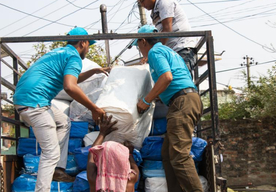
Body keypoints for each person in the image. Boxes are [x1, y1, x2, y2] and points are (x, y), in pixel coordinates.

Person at [13, 27, 110, 192]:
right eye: (89, 45)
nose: (88, 49)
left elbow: (73, 79)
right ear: (83, 42)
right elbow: (70, 86)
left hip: (27, 100)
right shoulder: (73, 56)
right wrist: (94, 108)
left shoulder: (60, 53)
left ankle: (58, 169)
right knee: (50, 153)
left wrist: (94, 71)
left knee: (64, 121)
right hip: (35, 104)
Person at [134, 25, 203, 192]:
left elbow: (167, 77)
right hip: (186, 100)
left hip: (182, 102)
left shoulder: (155, 52)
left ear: (143, 41)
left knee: (179, 156)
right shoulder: (169, 52)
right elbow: (172, 80)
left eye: (138, 45)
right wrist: (156, 96)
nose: (139, 49)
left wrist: (146, 100)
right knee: (168, 154)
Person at [138, 0, 197, 74]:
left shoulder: (164, 2)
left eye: (142, 1)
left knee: (180, 77)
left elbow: (167, 29)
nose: (142, 5)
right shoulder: (155, 11)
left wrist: (154, 52)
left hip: (182, 47)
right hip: (172, 51)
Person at [87, 115, 139, 192]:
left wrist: (102, 133)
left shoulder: (94, 178)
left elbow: (92, 154)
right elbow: (136, 170)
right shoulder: (130, 178)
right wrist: (130, 154)